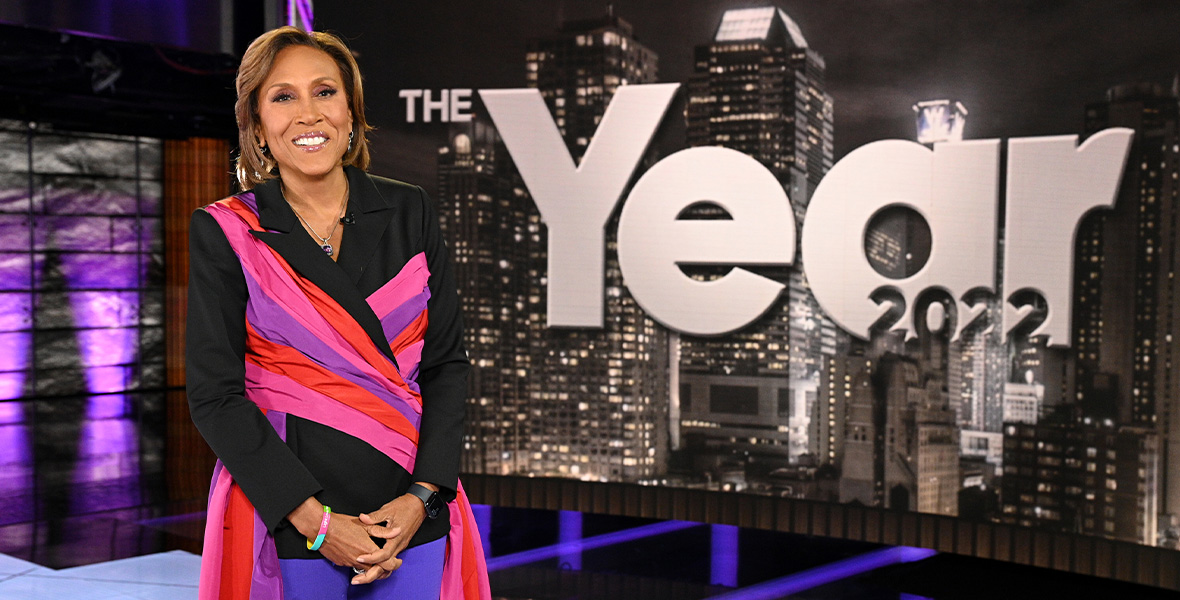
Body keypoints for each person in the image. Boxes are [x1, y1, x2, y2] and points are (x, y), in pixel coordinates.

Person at [185, 26, 489, 600]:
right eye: (283, 96)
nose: (308, 114)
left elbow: (446, 363)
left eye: (324, 92)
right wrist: (317, 524)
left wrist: (422, 496)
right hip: (289, 510)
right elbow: (214, 395)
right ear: (256, 123)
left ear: (351, 111)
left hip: (408, 512)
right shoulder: (227, 230)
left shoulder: (411, 209)